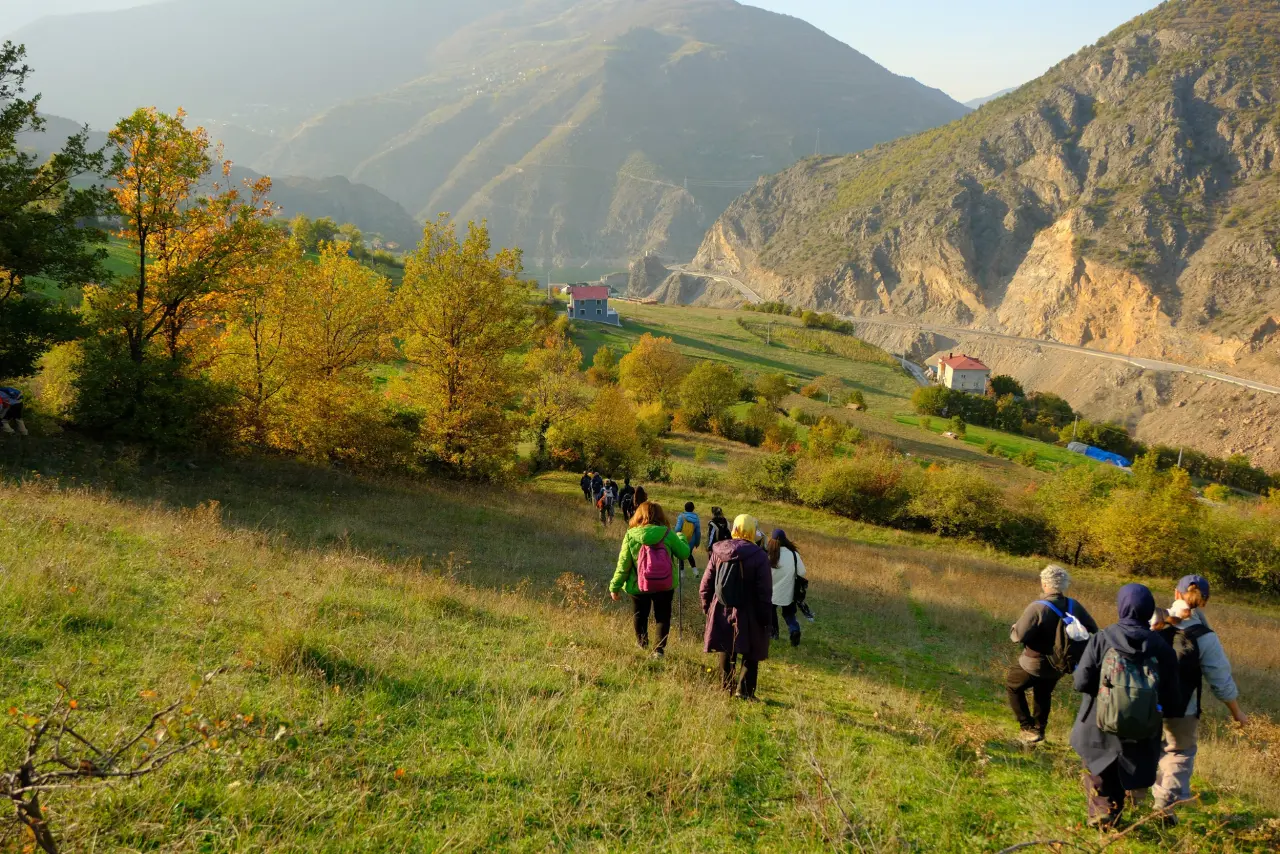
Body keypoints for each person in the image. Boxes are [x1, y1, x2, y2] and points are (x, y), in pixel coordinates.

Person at [1070, 584, 1180, 829]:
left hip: (1098, 722)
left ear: (1121, 607)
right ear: (1148, 609)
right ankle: (1114, 814)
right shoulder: (1162, 647)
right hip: (1142, 727)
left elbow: (1081, 683)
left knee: (1100, 768)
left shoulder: (1102, 638)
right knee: (1125, 768)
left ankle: (1102, 812)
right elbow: (1172, 697)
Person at [1149, 575, 1247, 823]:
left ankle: (1130, 795)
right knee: (1179, 752)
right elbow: (1220, 680)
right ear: (1204, 602)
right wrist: (1237, 713)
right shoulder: (1205, 636)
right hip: (1183, 707)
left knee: (1140, 745)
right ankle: (1163, 805)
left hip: (1142, 700)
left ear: (1176, 593)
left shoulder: (1151, 620)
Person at [1007, 565, 1099, 744]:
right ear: (1064, 585)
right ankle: (1040, 730)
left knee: (1013, 685)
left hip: (1034, 662)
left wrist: (1013, 629)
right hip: (1061, 664)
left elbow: (1018, 636)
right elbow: (1092, 628)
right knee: (1043, 693)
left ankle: (1027, 727)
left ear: (1045, 584)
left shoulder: (1038, 608)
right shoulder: (1074, 605)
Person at [700, 514, 772, 700]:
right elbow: (764, 590)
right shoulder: (760, 556)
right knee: (751, 650)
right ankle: (745, 692)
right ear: (753, 531)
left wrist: (707, 607)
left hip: (721, 606)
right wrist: (766, 616)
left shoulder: (718, 550)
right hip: (750, 609)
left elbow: (706, 583)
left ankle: (726, 688)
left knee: (726, 647)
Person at [610, 502, 691, 658]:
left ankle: (642, 644)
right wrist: (681, 537)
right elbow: (684, 553)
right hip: (665, 585)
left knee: (640, 615)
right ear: (661, 516)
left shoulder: (631, 535)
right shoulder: (668, 534)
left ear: (638, 515)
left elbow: (624, 564)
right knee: (662, 616)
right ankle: (659, 651)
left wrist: (615, 586)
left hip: (637, 585)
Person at [766, 529, 807, 647]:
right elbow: (802, 572)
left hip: (771, 593)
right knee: (789, 614)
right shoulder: (794, 554)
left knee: (771, 612)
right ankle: (794, 630)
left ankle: (773, 634)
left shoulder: (768, 555)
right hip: (788, 593)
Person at [673, 502, 702, 574]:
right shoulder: (696, 518)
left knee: (680, 554)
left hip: (682, 539)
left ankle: (682, 572)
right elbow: (698, 532)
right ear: (693, 509)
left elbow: (677, 529)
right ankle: (695, 571)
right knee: (689, 554)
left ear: (685, 508)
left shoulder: (681, 517)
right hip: (691, 540)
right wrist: (697, 542)